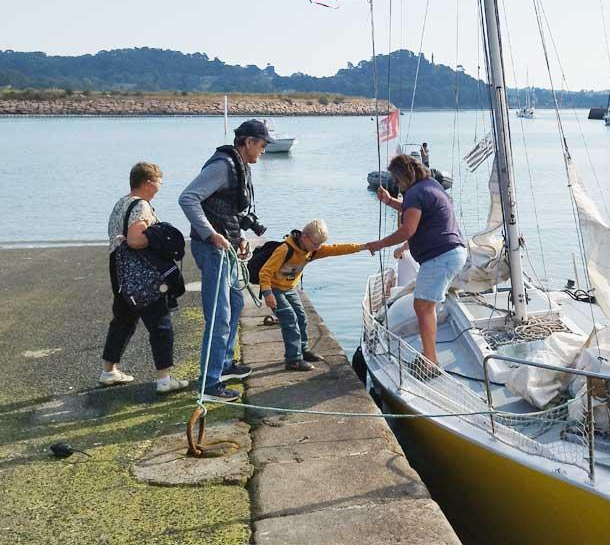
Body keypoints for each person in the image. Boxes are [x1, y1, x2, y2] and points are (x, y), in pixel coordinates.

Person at [179, 119, 271, 402]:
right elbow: (188, 198)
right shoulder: (222, 166)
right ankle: (209, 384)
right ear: (248, 142)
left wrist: (238, 236)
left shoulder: (239, 166)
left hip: (227, 248)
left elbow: (226, 208)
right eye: (262, 145)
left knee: (237, 303)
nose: (264, 151)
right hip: (213, 250)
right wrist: (210, 235)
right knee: (219, 316)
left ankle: (226, 364)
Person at [364, 154, 467, 367]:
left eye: (395, 178)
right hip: (452, 252)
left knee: (423, 306)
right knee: (424, 305)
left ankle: (430, 361)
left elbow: (407, 230)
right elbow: (415, 210)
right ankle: (429, 354)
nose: (395, 183)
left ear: (402, 175)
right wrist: (390, 201)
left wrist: (379, 244)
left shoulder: (413, 193)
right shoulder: (430, 186)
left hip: (440, 256)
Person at [100, 162, 189, 394]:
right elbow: (135, 240)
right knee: (160, 324)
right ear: (149, 182)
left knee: (123, 319)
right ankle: (164, 378)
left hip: (120, 271)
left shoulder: (121, 202)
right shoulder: (141, 206)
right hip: (141, 272)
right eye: (159, 181)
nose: (160, 186)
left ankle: (109, 370)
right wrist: (159, 238)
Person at [259, 219, 364, 371]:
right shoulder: (284, 250)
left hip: (289, 288)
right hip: (275, 289)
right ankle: (293, 359)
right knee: (289, 318)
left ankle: (302, 349)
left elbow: (336, 249)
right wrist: (268, 294)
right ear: (304, 237)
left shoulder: (312, 250)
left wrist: (362, 247)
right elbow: (265, 272)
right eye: (316, 244)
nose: (318, 247)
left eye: (320, 244)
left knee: (301, 317)